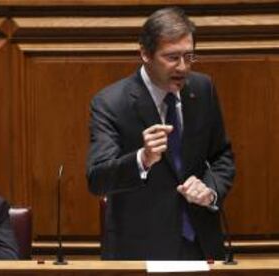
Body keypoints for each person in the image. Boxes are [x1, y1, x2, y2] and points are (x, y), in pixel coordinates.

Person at [87, 7, 235, 260]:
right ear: (145, 54)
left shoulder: (202, 88)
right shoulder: (111, 103)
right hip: (140, 251)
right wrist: (142, 159)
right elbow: (97, 178)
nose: (183, 67)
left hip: (200, 246)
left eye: (189, 57)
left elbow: (222, 156)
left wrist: (209, 190)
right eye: (172, 57)